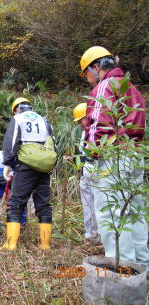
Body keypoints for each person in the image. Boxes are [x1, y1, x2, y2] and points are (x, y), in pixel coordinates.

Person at [79, 46, 148, 265]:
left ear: (96, 67)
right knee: (134, 212)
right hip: (134, 156)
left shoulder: (105, 85)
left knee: (111, 214)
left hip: (112, 157)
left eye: (88, 75)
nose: (89, 80)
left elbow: (99, 123)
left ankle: (122, 269)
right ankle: (142, 266)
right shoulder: (131, 87)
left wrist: (92, 155)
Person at [0, 97, 55, 251]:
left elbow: (11, 143)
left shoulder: (18, 119)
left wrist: (10, 164)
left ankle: (11, 244)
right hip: (44, 165)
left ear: (16, 110)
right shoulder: (44, 121)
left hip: (25, 166)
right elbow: (52, 143)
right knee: (43, 204)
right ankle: (45, 245)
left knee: (16, 203)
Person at [64, 103, 99, 242]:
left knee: (98, 205)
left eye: (80, 120)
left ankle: (99, 237)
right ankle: (90, 236)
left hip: (97, 171)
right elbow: (85, 158)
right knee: (88, 205)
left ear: (88, 116)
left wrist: (76, 159)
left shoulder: (98, 131)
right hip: (86, 172)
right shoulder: (85, 133)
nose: (79, 124)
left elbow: (94, 156)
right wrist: (74, 160)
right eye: (78, 122)